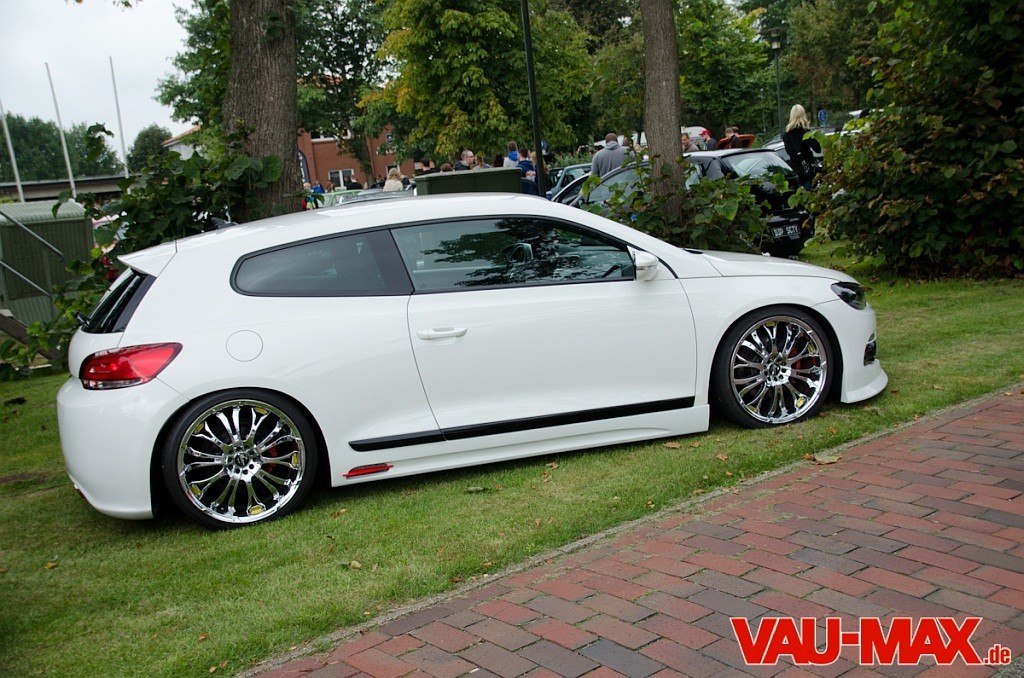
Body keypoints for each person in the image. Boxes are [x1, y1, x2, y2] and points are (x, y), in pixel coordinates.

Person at [783, 104, 820, 188]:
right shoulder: (806, 133)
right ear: (804, 115)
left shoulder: (786, 136)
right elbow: (817, 149)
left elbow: (789, 152)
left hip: (796, 172)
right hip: (808, 171)